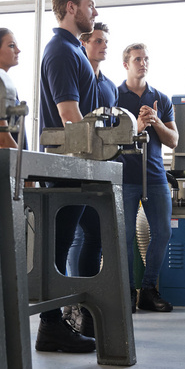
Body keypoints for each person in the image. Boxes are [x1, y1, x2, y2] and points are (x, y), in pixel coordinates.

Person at [36, 0, 100, 353]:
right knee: (60, 246)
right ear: (72, 8)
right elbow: (69, 115)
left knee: (93, 234)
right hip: (69, 164)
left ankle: (82, 314)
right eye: (90, 4)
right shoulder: (60, 51)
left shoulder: (73, 50)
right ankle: (51, 325)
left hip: (81, 165)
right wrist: (97, 150)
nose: (95, 10)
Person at [117, 43, 178, 313]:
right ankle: (127, 291)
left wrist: (156, 122)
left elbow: (174, 140)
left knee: (163, 232)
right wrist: (136, 127)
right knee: (125, 235)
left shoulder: (161, 99)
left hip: (155, 176)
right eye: (137, 59)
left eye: (146, 59)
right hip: (124, 176)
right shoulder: (113, 96)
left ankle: (149, 290)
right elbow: (105, 138)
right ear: (126, 64)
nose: (143, 63)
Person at [67, 22, 118, 278]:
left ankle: (84, 297)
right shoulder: (78, 78)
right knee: (77, 233)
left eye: (105, 41)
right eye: (97, 40)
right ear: (84, 43)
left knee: (95, 234)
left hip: (101, 165)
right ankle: (70, 298)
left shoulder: (110, 86)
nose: (103, 46)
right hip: (77, 162)